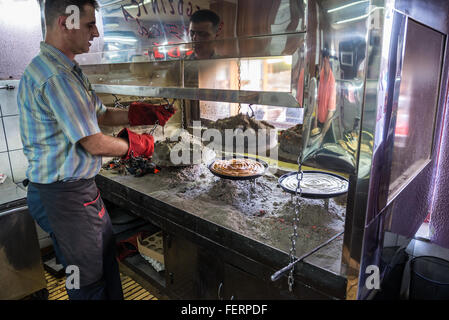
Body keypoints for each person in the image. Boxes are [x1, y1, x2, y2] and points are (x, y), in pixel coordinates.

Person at [17, 0, 174, 300]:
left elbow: (99, 116)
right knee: (86, 282)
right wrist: (136, 146)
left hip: (78, 192)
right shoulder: (56, 76)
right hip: (64, 197)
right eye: (90, 24)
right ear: (66, 22)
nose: (97, 33)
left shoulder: (68, 69)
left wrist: (138, 114)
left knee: (104, 261)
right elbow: (92, 141)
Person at [313, 48, 336, 144]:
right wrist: (315, 123)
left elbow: (330, 114)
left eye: (324, 60)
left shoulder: (332, 82)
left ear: (326, 59)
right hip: (318, 123)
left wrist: (322, 135)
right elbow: (317, 102)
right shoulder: (322, 74)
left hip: (327, 126)